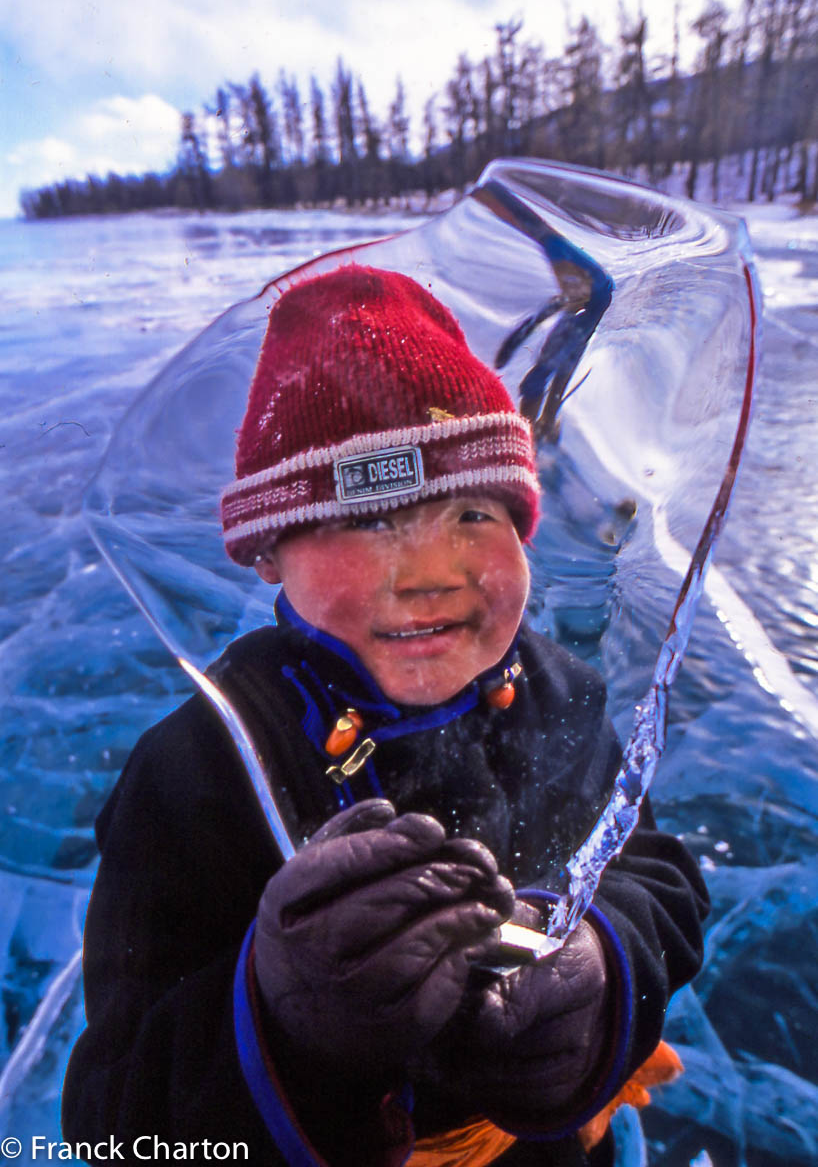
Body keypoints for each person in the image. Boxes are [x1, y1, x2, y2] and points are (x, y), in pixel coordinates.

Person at [62, 265, 709, 1166]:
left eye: (473, 512)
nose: (431, 572)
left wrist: (608, 968)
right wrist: (282, 1020)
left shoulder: (560, 690)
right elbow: (113, 1124)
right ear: (267, 557)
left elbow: (652, 865)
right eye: (366, 522)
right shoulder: (199, 773)